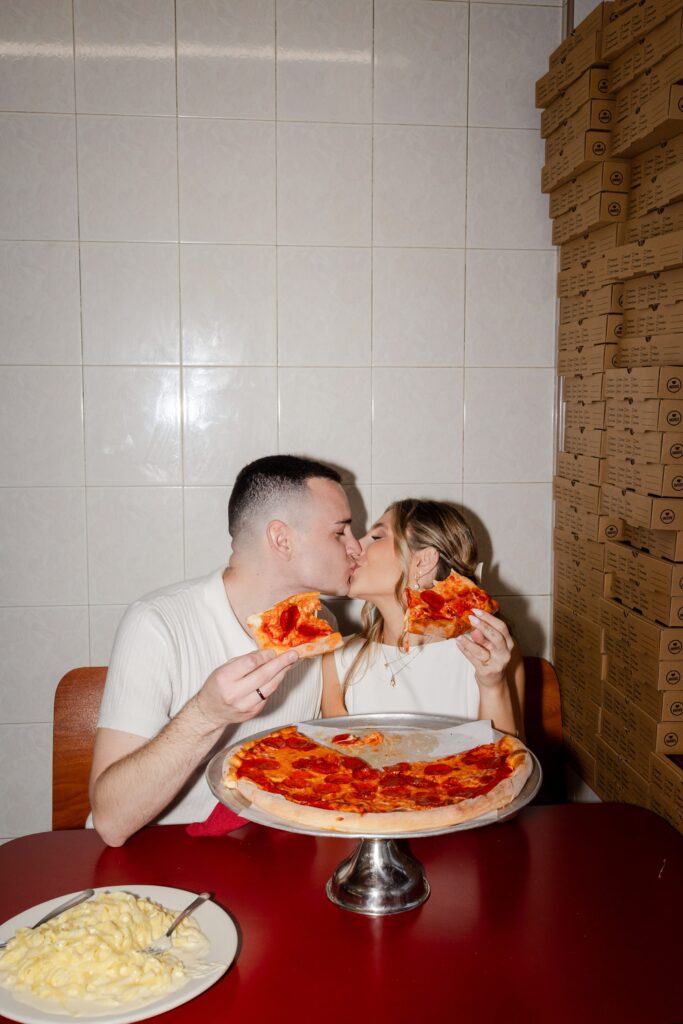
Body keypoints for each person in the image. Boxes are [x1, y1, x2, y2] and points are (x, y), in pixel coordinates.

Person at [89, 454, 361, 847]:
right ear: (281, 539)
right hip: (152, 862)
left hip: (263, 858)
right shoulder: (158, 623)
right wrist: (205, 715)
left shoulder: (320, 629)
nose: (356, 549)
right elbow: (111, 822)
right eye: (340, 533)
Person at [321, 499, 523, 736]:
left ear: (424, 561)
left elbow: (508, 767)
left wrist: (492, 685)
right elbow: (341, 767)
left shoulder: (491, 655)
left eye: (377, 537)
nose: (354, 547)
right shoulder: (338, 659)